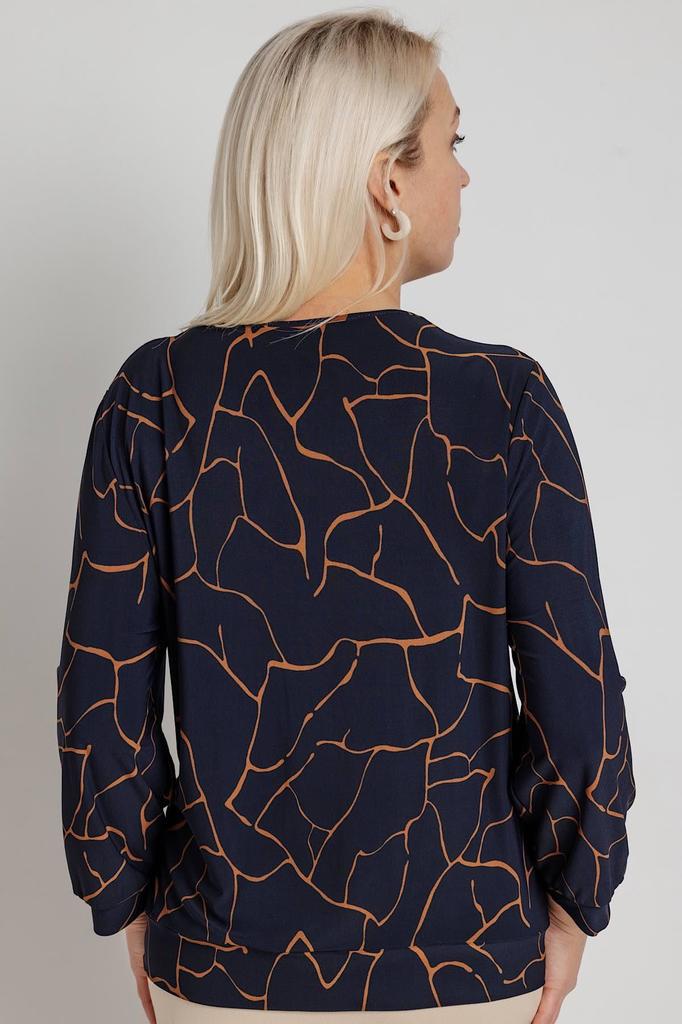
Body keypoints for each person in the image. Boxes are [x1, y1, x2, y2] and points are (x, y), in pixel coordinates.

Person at [55, 9, 635, 1024]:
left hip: (223, 967)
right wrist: (575, 900)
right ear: (387, 183)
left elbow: (100, 696)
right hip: (462, 964)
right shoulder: (499, 400)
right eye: (450, 143)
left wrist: (127, 896)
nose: (465, 175)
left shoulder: (156, 396)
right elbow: (574, 690)